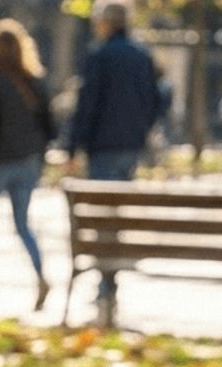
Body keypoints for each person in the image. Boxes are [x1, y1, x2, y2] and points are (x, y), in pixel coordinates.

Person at [65, 1, 165, 324]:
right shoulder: (141, 56)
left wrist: (71, 146)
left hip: (103, 147)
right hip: (130, 146)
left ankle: (107, 285)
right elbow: (156, 100)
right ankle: (110, 284)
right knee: (116, 216)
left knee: (104, 219)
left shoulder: (100, 56)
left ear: (108, 24)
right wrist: (141, 129)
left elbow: (87, 104)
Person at [0, 19, 55, 314]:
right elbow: (50, 128)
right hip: (27, 163)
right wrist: (37, 156)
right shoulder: (36, 83)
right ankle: (41, 277)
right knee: (22, 224)